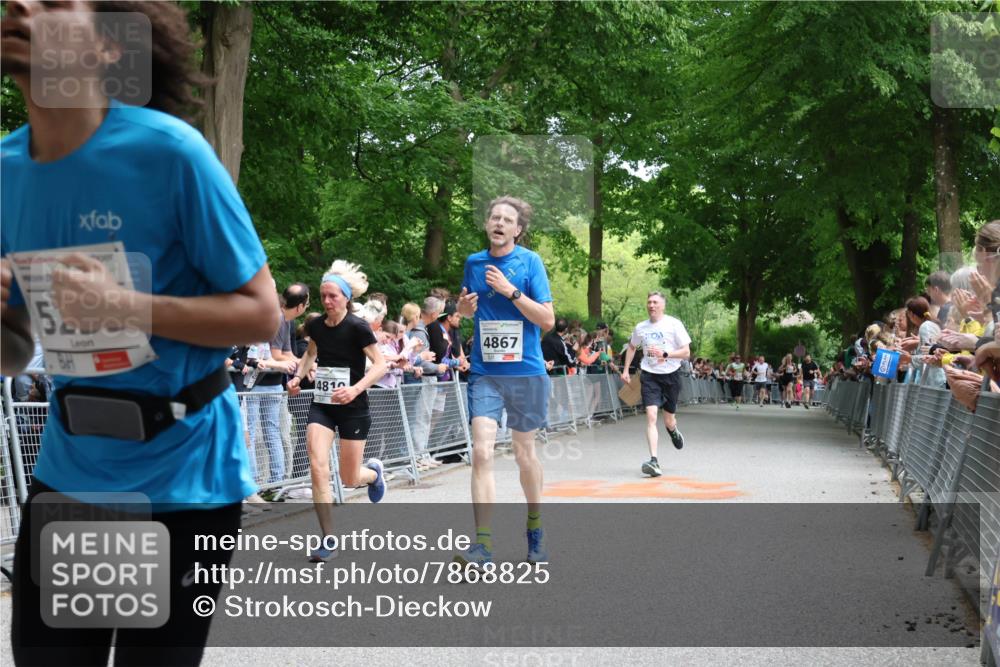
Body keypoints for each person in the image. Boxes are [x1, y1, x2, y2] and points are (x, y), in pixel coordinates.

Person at [0, 2, 281, 664]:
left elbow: (261, 313)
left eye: (55, 3)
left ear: (106, 49)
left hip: (183, 482)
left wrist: (127, 306)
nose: (19, 5)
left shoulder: (170, 152)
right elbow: (14, 352)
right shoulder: (6, 170)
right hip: (73, 478)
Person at [454, 195, 555, 566]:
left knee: (524, 454)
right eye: (494, 217)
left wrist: (512, 292)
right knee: (481, 451)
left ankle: (535, 526)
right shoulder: (474, 263)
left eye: (506, 219)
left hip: (526, 373)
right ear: (487, 225)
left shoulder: (530, 263)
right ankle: (482, 545)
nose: (499, 223)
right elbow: (465, 310)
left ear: (518, 230)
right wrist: (462, 312)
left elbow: (547, 320)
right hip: (485, 373)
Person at [287, 260, 388, 562]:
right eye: (324, 296)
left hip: (353, 407)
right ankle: (328, 539)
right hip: (323, 406)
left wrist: (356, 389)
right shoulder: (316, 325)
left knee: (349, 477)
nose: (328, 301)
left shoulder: (358, 328)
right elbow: (310, 353)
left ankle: (373, 474)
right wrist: (297, 376)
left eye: (333, 296)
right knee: (318, 467)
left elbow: (381, 365)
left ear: (346, 298)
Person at [622, 291, 692, 477]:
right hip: (649, 375)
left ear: (663, 305)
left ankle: (673, 431)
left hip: (671, 375)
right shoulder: (641, 327)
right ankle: (654, 461)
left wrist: (666, 354)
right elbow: (631, 347)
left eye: (655, 302)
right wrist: (626, 370)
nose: (651, 305)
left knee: (668, 419)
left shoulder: (674, 324)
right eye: (649, 302)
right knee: (651, 415)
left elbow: (686, 352)